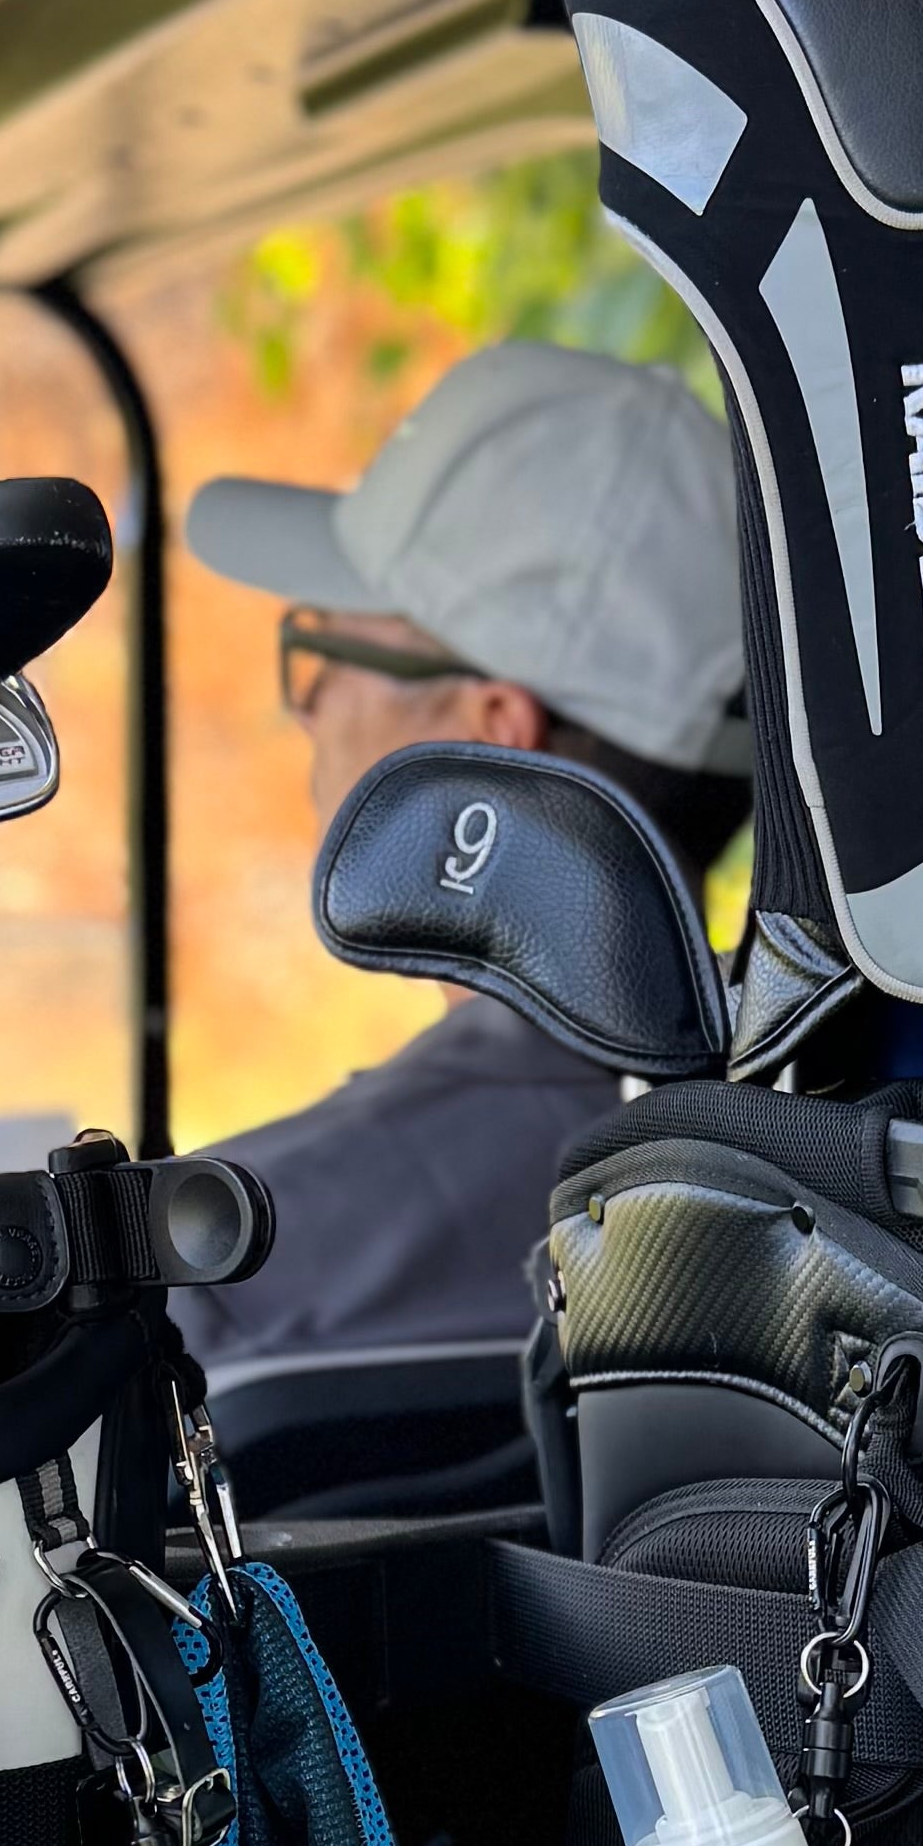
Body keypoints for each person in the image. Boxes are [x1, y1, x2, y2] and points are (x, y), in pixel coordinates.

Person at [169, 340, 749, 1363]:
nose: (311, 711)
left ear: (488, 737)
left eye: (326, 657)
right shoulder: (823, 1160)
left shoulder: (215, 1265)